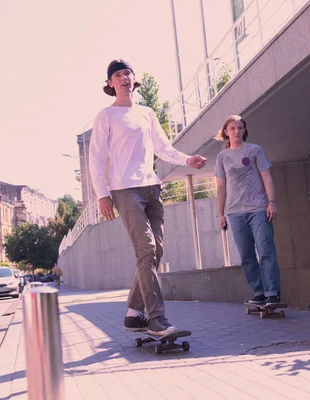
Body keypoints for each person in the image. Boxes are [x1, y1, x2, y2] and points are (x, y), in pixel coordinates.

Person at [89, 59, 207, 335]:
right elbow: (95, 158)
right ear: (110, 83)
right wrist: (102, 195)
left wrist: (187, 159)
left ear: (134, 78)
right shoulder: (106, 116)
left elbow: (163, 147)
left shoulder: (146, 113)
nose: (124, 78)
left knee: (156, 252)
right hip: (124, 190)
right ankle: (156, 317)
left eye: (127, 73)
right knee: (146, 250)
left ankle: (133, 313)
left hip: (151, 187)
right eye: (117, 75)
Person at [214, 115, 282, 306]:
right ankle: (258, 292)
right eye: (232, 128)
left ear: (244, 130)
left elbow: (267, 177)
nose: (236, 131)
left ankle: (272, 293)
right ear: (226, 132)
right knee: (246, 255)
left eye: (240, 128)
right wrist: (220, 214)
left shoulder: (255, 150)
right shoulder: (222, 157)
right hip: (235, 213)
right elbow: (220, 187)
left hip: (259, 209)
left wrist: (272, 202)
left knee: (266, 251)